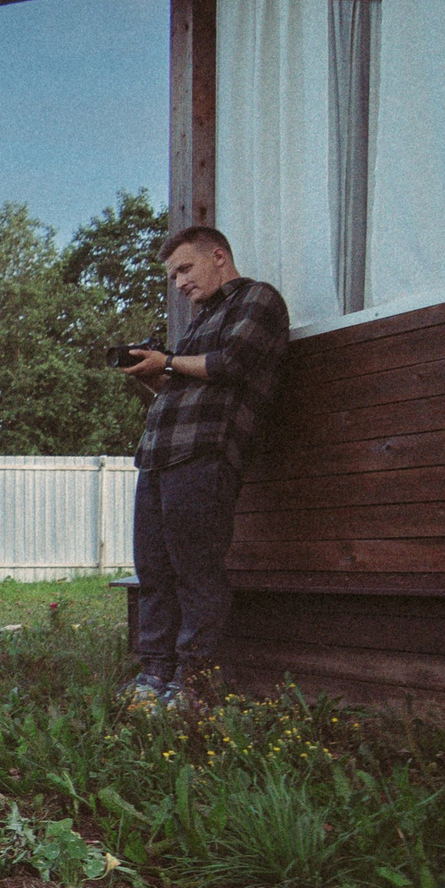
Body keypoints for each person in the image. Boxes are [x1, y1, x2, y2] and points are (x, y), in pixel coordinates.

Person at [117, 226, 290, 713]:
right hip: (157, 457)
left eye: (185, 269)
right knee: (154, 572)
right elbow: (182, 386)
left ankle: (196, 684)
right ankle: (154, 675)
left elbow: (232, 363)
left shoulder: (258, 300)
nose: (179, 284)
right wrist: (155, 375)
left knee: (196, 572)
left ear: (218, 256)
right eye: (173, 276)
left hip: (207, 454)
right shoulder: (198, 323)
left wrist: (168, 361)